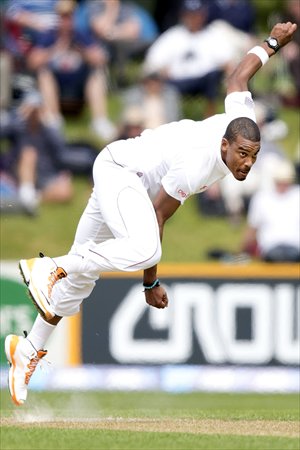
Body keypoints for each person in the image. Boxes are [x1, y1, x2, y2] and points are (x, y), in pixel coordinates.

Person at [4, 21, 297, 406]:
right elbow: (158, 215)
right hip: (122, 173)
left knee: (79, 284)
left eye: (253, 156)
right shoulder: (198, 165)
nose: (247, 163)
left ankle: (27, 350)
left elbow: (239, 76)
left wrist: (272, 42)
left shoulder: (241, 119)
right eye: (241, 154)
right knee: (143, 251)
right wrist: (149, 283)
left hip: (123, 181)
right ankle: (50, 266)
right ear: (225, 144)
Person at [143, 0, 253, 117]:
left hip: (204, 80)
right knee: (157, 82)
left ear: (203, 15)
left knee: (214, 77)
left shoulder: (213, 35)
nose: (193, 19)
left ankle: (210, 116)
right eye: (190, 15)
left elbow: (228, 62)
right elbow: (152, 63)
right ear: (183, 15)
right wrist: (162, 71)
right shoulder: (172, 36)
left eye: (197, 15)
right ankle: (169, 118)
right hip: (176, 80)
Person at [26, 0, 116, 140]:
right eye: (63, 16)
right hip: (56, 87)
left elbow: (101, 59)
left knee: (97, 72)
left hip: (78, 88)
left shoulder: (80, 35)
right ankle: (53, 119)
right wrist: (54, 49)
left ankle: (100, 121)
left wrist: (83, 52)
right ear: (58, 17)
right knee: (44, 72)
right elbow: (32, 62)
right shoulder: (49, 36)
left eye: (69, 16)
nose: (66, 21)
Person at [241, 159, 300, 262]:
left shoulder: (297, 194)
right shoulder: (262, 197)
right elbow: (252, 229)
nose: (282, 185)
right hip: (271, 248)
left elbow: (253, 229)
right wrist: (241, 251)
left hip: (294, 248)